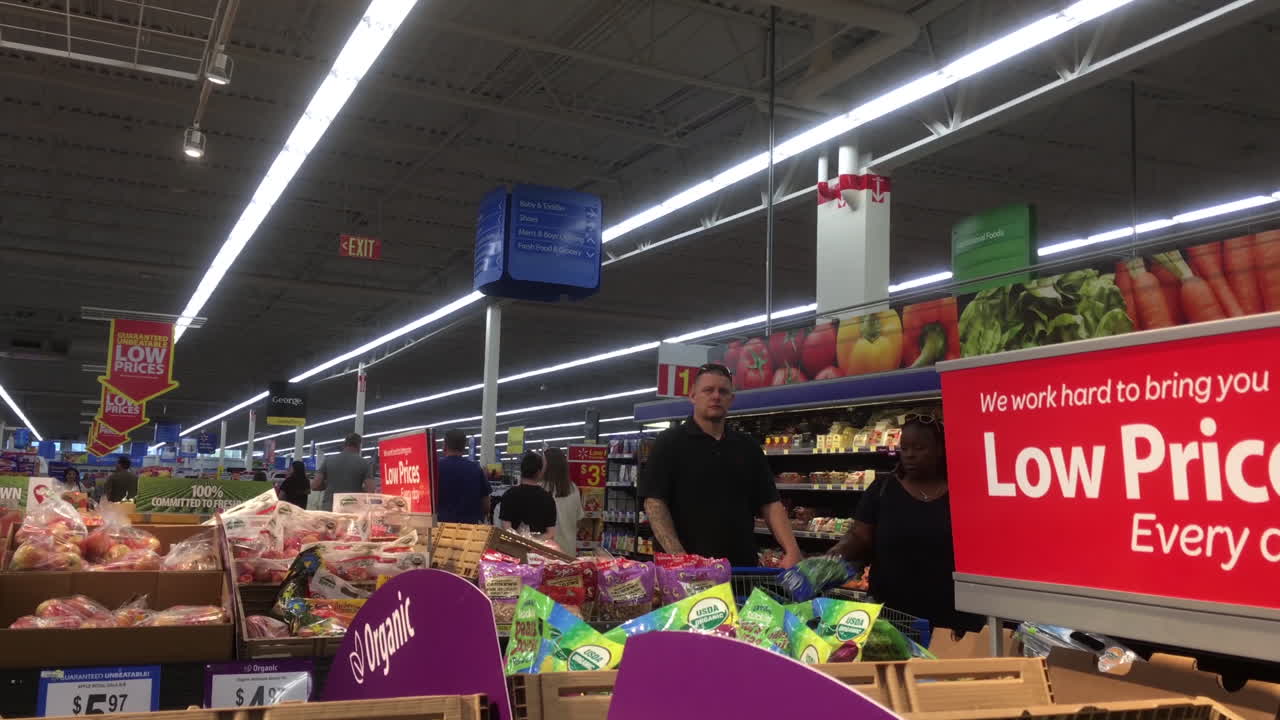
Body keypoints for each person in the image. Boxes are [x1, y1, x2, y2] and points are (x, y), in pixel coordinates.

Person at [830, 414, 983, 631]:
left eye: (919, 448)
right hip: (893, 614)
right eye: (905, 448)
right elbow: (859, 535)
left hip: (953, 616)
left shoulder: (964, 490)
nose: (910, 454)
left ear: (939, 449)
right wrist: (833, 555)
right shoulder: (882, 489)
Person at [640, 363, 801, 567]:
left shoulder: (748, 446)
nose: (716, 396)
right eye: (708, 390)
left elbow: (770, 502)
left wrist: (792, 550)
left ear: (731, 399)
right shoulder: (669, 442)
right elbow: (654, 503)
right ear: (693, 396)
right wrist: (680, 558)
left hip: (741, 567)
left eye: (723, 391)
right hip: (685, 571)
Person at [436, 429, 491, 523]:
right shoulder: (476, 469)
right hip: (470, 527)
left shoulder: (435, 467)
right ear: (464, 447)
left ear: (444, 445)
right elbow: (486, 505)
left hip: (441, 526)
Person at [499, 451, 557, 541]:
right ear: (539, 472)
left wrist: (521, 541)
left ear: (522, 470)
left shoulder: (509, 495)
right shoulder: (548, 498)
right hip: (538, 548)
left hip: (513, 546)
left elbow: (506, 528)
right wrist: (533, 541)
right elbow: (550, 533)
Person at [312, 433, 372, 511]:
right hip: (352, 507)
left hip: (330, 506)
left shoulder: (328, 460)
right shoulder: (364, 463)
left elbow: (315, 485)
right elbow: (370, 489)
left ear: (344, 444)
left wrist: (328, 485)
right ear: (359, 445)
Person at [541, 448, 582, 554]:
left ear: (548, 466)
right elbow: (579, 520)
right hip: (568, 550)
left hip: (546, 550)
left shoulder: (541, 488)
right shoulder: (573, 488)